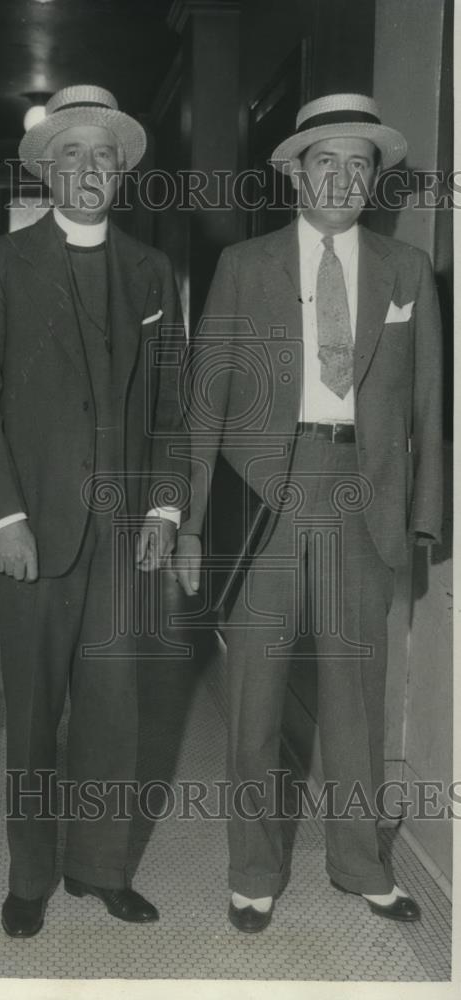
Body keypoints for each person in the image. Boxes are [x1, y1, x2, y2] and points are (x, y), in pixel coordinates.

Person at [175, 94, 442, 932]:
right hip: (268, 497)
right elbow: (204, 401)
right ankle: (252, 871)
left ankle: (360, 863)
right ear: (294, 172)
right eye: (324, 160)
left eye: (358, 164)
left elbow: (431, 406)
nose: (341, 177)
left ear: (374, 181)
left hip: (365, 504)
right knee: (254, 700)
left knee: (357, 699)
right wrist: (184, 521)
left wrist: (422, 523)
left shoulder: (405, 274)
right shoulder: (245, 266)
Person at [0, 84, 186, 937]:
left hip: (125, 535)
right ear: (48, 170)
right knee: (33, 711)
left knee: (116, 711)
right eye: (72, 154)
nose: (89, 170)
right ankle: (31, 875)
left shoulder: (151, 272)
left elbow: (169, 401)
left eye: (104, 156)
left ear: (121, 173)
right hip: (34, 530)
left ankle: (101, 868)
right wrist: (4, 517)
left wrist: (165, 506)